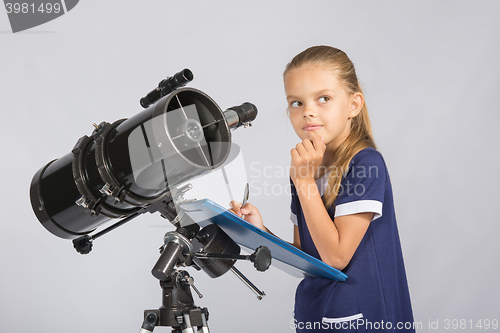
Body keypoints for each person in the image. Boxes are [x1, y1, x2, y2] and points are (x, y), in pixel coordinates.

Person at [230, 45, 414, 332]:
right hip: (316, 316)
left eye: (323, 98)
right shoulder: (305, 167)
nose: (308, 112)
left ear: (353, 104)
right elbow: (306, 258)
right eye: (296, 103)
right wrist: (259, 232)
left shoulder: (366, 163)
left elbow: (336, 257)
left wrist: (304, 182)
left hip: (363, 319)